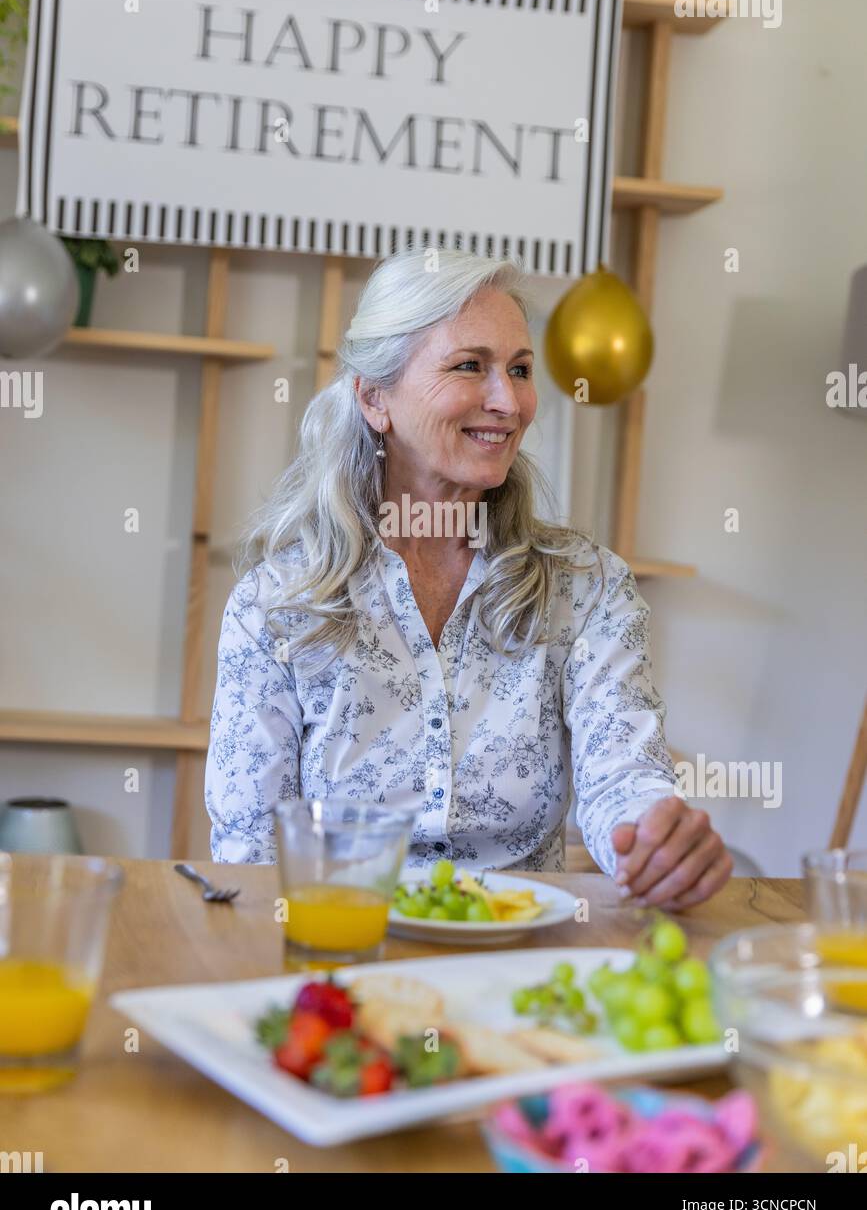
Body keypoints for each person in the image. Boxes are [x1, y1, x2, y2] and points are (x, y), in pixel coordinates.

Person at [204, 248, 731, 911]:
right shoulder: (278, 603)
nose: (507, 402)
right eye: (469, 367)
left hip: (519, 951)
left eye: (519, 370)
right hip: (341, 948)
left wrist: (653, 833)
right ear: (375, 398)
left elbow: (621, 779)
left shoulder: (587, 586)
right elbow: (250, 851)